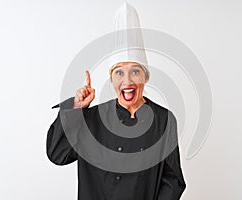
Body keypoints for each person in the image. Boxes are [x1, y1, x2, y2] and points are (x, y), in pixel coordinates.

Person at [46, 3, 186, 200]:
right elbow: (57, 155)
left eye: (135, 72)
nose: (127, 81)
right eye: (119, 72)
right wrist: (76, 109)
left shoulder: (164, 120)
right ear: (111, 80)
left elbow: (172, 180)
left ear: (145, 77)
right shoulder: (92, 118)